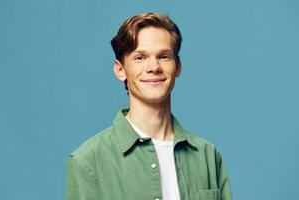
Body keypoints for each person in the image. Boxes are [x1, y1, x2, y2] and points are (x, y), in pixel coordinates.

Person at [66, 12, 232, 200]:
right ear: (120, 70)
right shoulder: (88, 161)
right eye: (140, 57)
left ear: (177, 67)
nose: (154, 67)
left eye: (163, 56)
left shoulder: (207, 156)